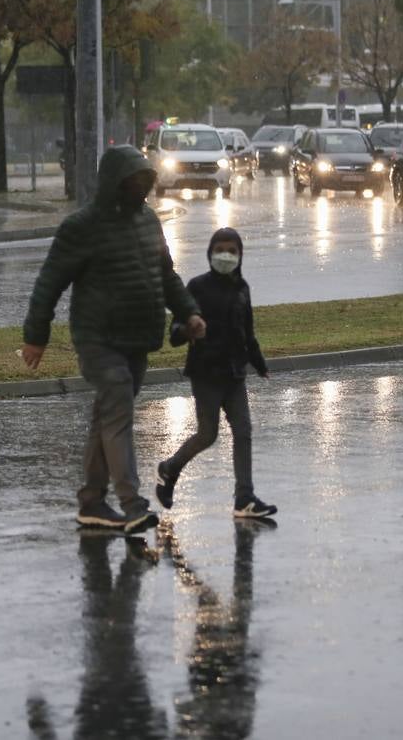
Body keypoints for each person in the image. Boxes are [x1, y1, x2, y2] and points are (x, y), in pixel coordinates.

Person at [23, 146, 205, 535]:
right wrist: (35, 338)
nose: (140, 186)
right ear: (114, 182)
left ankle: (92, 502)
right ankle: (132, 504)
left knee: (107, 418)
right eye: (133, 180)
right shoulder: (82, 227)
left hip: (138, 337)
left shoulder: (148, 221)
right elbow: (49, 283)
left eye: (145, 179)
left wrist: (189, 313)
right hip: (98, 339)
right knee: (118, 405)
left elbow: (166, 276)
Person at [155, 227, 277, 519]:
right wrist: (187, 329)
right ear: (210, 254)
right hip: (206, 374)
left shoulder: (242, 288)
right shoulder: (197, 287)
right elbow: (173, 335)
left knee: (243, 432)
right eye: (220, 250)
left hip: (235, 375)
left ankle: (244, 497)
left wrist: (259, 364)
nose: (226, 256)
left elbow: (248, 332)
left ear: (240, 256)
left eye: (232, 251)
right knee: (207, 434)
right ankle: (169, 469)